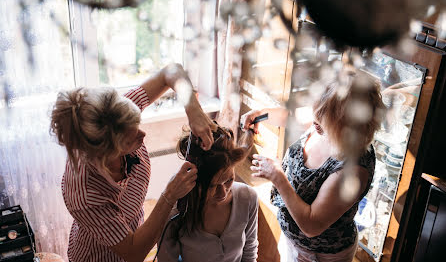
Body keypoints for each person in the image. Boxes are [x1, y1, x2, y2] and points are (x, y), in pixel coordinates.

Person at [50, 63, 217, 262]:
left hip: (134, 227)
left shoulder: (115, 115)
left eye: (137, 124)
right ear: (105, 155)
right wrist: (169, 195)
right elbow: (134, 252)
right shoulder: (84, 194)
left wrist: (194, 110)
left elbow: (171, 72)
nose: (142, 135)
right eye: (131, 140)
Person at [241, 71, 385, 262]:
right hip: (294, 243)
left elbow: (311, 226)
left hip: (319, 255)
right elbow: (289, 115)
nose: (314, 122)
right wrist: (261, 114)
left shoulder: (352, 170)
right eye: (315, 114)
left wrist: (278, 177)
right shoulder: (325, 117)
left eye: (322, 121)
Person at [157, 125, 259, 262]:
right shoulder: (176, 211)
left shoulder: (248, 198)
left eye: (229, 180)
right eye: (212, 186)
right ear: (194, 179)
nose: (222, 192)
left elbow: (249, 252)